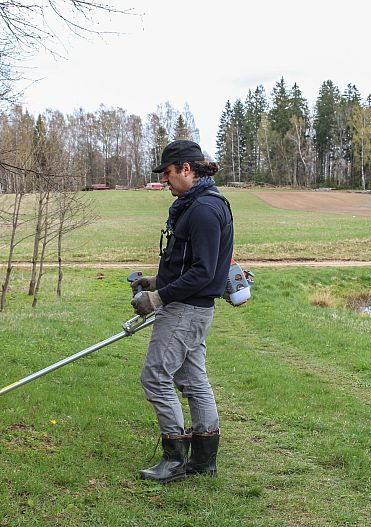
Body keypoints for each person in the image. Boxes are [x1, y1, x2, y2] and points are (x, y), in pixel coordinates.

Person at [130, 139, 233, 483]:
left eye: (169, 173)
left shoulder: (203, 209)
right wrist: (155, 281)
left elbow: (204, 272)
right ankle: (204, 460)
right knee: (192, 380)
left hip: (186, 310)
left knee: (155, 377)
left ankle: (175, 459)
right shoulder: (200, 203)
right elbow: (190, 264)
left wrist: (157, 299)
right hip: (192, 307)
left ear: (186, 169)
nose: (165, 181)